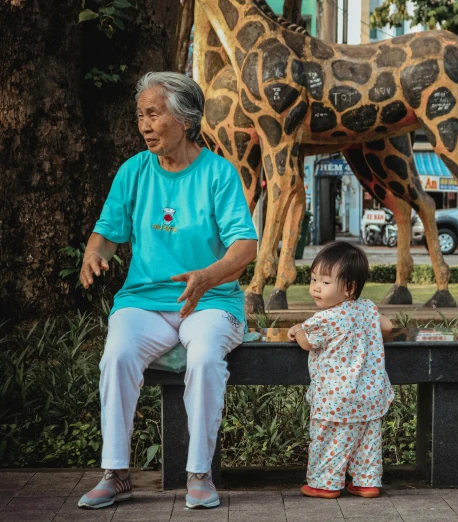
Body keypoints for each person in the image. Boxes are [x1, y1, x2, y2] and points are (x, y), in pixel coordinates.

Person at [77, 72, 258, 510]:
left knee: (202, 356)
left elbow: (246, 246)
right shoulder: (133, 172)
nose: (144, 124)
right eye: (140, 115)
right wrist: (93, 252)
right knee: (117, 355)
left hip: (210, 301)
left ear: (185, 119)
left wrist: (208, 276)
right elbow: (106, 233)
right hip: (144, 301)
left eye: (154, 114)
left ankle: (198, 475)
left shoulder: (218, 173)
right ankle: (116, 474)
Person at [288, 241, 395, 499]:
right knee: (367, 442)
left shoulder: (325, 319)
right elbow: (388, 326)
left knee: (328, 442)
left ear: (349, 288)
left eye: (325, 282)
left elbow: (306, 342)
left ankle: (324, 484)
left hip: (335, 399)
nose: (315, 287)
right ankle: (367, 482)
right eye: (313, 279)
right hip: (370, 397)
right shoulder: (367, 308)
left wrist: (297, 330)